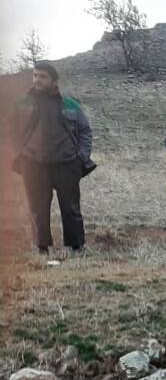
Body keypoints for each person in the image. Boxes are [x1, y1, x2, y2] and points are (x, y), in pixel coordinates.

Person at [9, 60, 93, 254]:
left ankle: (76, 247)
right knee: (38, 208)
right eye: (35, 75)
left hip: (67, 163)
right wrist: (19, 155)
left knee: (71, 208)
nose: (37, 80)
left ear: (53, 80)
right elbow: (10, 131)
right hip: (33, 164)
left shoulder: (70, 103)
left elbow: (85, 131)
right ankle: (42, 248)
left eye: (42, 76)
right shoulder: (22, 104)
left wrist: (81, 156)